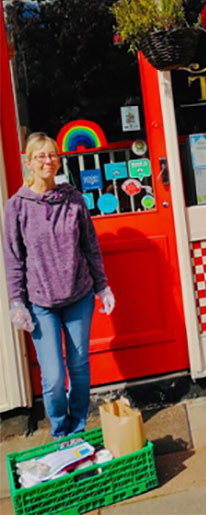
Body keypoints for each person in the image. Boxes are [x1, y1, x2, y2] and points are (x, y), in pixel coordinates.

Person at [3, 132, 115, 438]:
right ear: (29, 162)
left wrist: (102, 286)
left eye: (52, 155)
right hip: (41, 303)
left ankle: (78, 426)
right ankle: (60, 431)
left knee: (78, 368)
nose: (48, 161)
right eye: (40, 156)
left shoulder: (73, 199)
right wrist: (17, 302)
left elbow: (90, 246)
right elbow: (13, 258)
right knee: (53, 377)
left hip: (78, 295)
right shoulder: (17, 206)